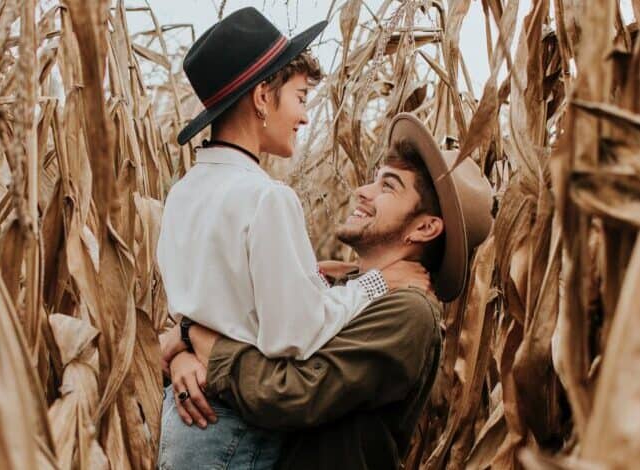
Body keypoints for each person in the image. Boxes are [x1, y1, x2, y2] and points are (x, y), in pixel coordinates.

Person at [156, 9, 429, 470]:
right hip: (235, 432)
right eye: (300, 97)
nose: (304, 116)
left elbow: (215, 304)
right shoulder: (267, 199)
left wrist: (185, 342)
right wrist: (376, 284)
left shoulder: (182, 193)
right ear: (263, 97)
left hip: (183, 420)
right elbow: (296, 336)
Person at [163, 113, 494, 469]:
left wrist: (194, 336)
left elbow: (291, 393)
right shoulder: (341, 289)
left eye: (388, 186)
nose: (362, 192)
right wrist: (183, 354)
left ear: (425, 227)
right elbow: (241, 328)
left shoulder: (408, 313)